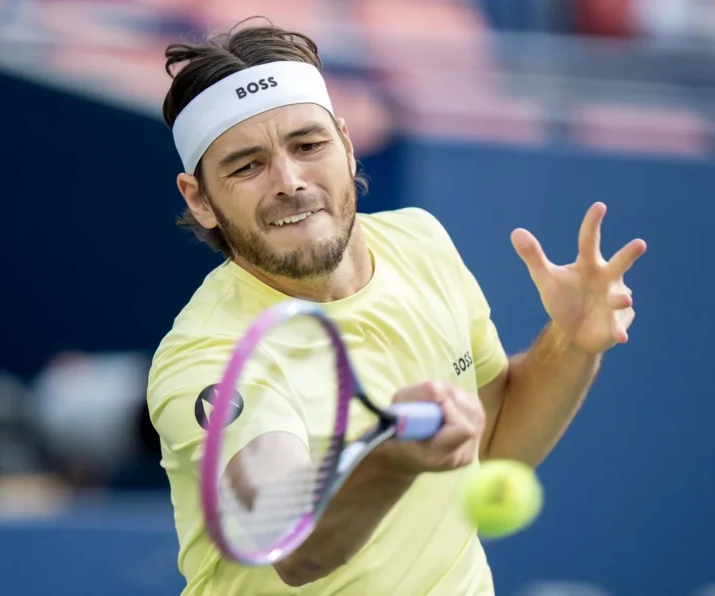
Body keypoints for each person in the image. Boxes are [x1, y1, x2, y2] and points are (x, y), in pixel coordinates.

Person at [147, 19, 647, 596]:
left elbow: (489, 447)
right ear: (200, 199)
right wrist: (391, 457)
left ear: (346, 143)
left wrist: (572, 341)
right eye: (246, 165)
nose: (288, 181)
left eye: (308, 146)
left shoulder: (420, 242)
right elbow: (288, 542)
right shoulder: (207, 358)